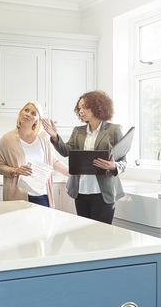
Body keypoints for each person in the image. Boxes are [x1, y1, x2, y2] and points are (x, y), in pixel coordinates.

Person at [41, 90, 126, 224]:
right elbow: (66, 151)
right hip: (80, 191)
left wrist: (114, 166)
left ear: (98, 107)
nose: (80, 110)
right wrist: (55, 137)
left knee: (101, 234)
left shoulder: (113, 130)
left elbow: (123, 161)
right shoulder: (78, 131)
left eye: (85, 107)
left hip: (103, 193)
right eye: (79, 107)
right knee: (83, 235)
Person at [0, 101, 69, 207]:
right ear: (21, 113)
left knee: (44, 223)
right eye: (26, 110)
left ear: (37, 120)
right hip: (18, 196)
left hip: (42, 195)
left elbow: (53, 162)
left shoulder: (43, 137)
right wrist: (15, 171)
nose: (28, 114)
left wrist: (73, 174)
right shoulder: (7, 139)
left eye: (33, 113)